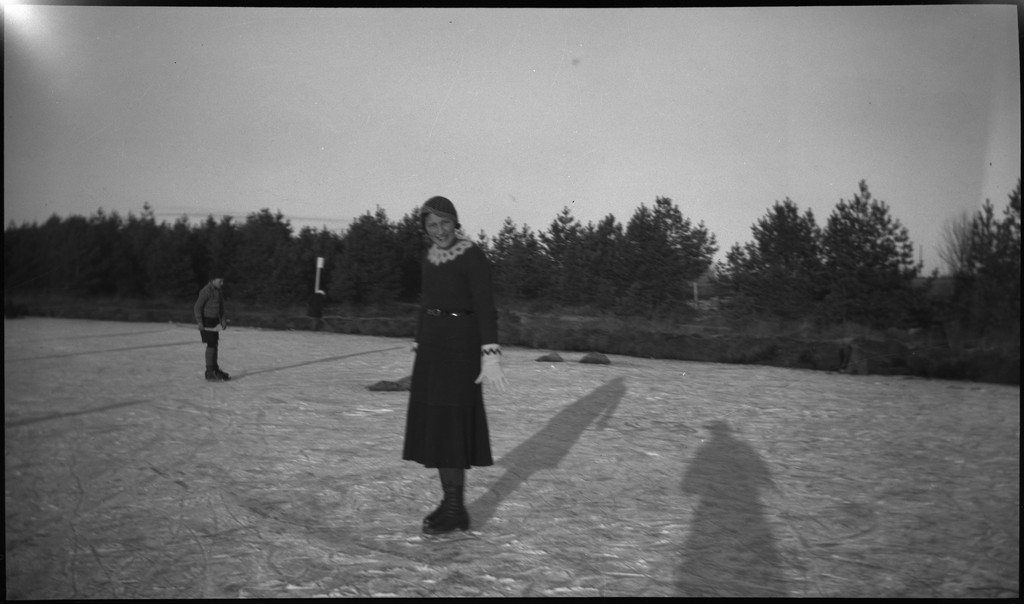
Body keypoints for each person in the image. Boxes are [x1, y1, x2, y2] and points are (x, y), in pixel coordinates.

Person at [403, 196, 508, 535]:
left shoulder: (472, 255)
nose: (439, 231)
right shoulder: (429, 258)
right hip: (432, 348)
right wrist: (419, 338)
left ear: (455, 222)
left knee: (451, 425)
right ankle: (452, 504)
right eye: (431, 225)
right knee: (437, 425)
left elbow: (484, 305)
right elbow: (426, 302)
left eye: (444, 222)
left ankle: (454, 507)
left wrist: (489, 351)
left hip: (460, 347)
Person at [194, 274, 230, 381]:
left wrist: (223, 320)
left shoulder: (218, 291)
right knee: (211, 344)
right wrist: (200, 322)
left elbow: (221, 308)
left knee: (214, 344)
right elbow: (197, 307)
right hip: (206, 321)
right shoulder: (206, 291)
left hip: (215, 321)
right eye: (220, 281)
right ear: (213, 280)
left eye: (223, 281)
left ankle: (214, 369)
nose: (222, 283)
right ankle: (210, 372)